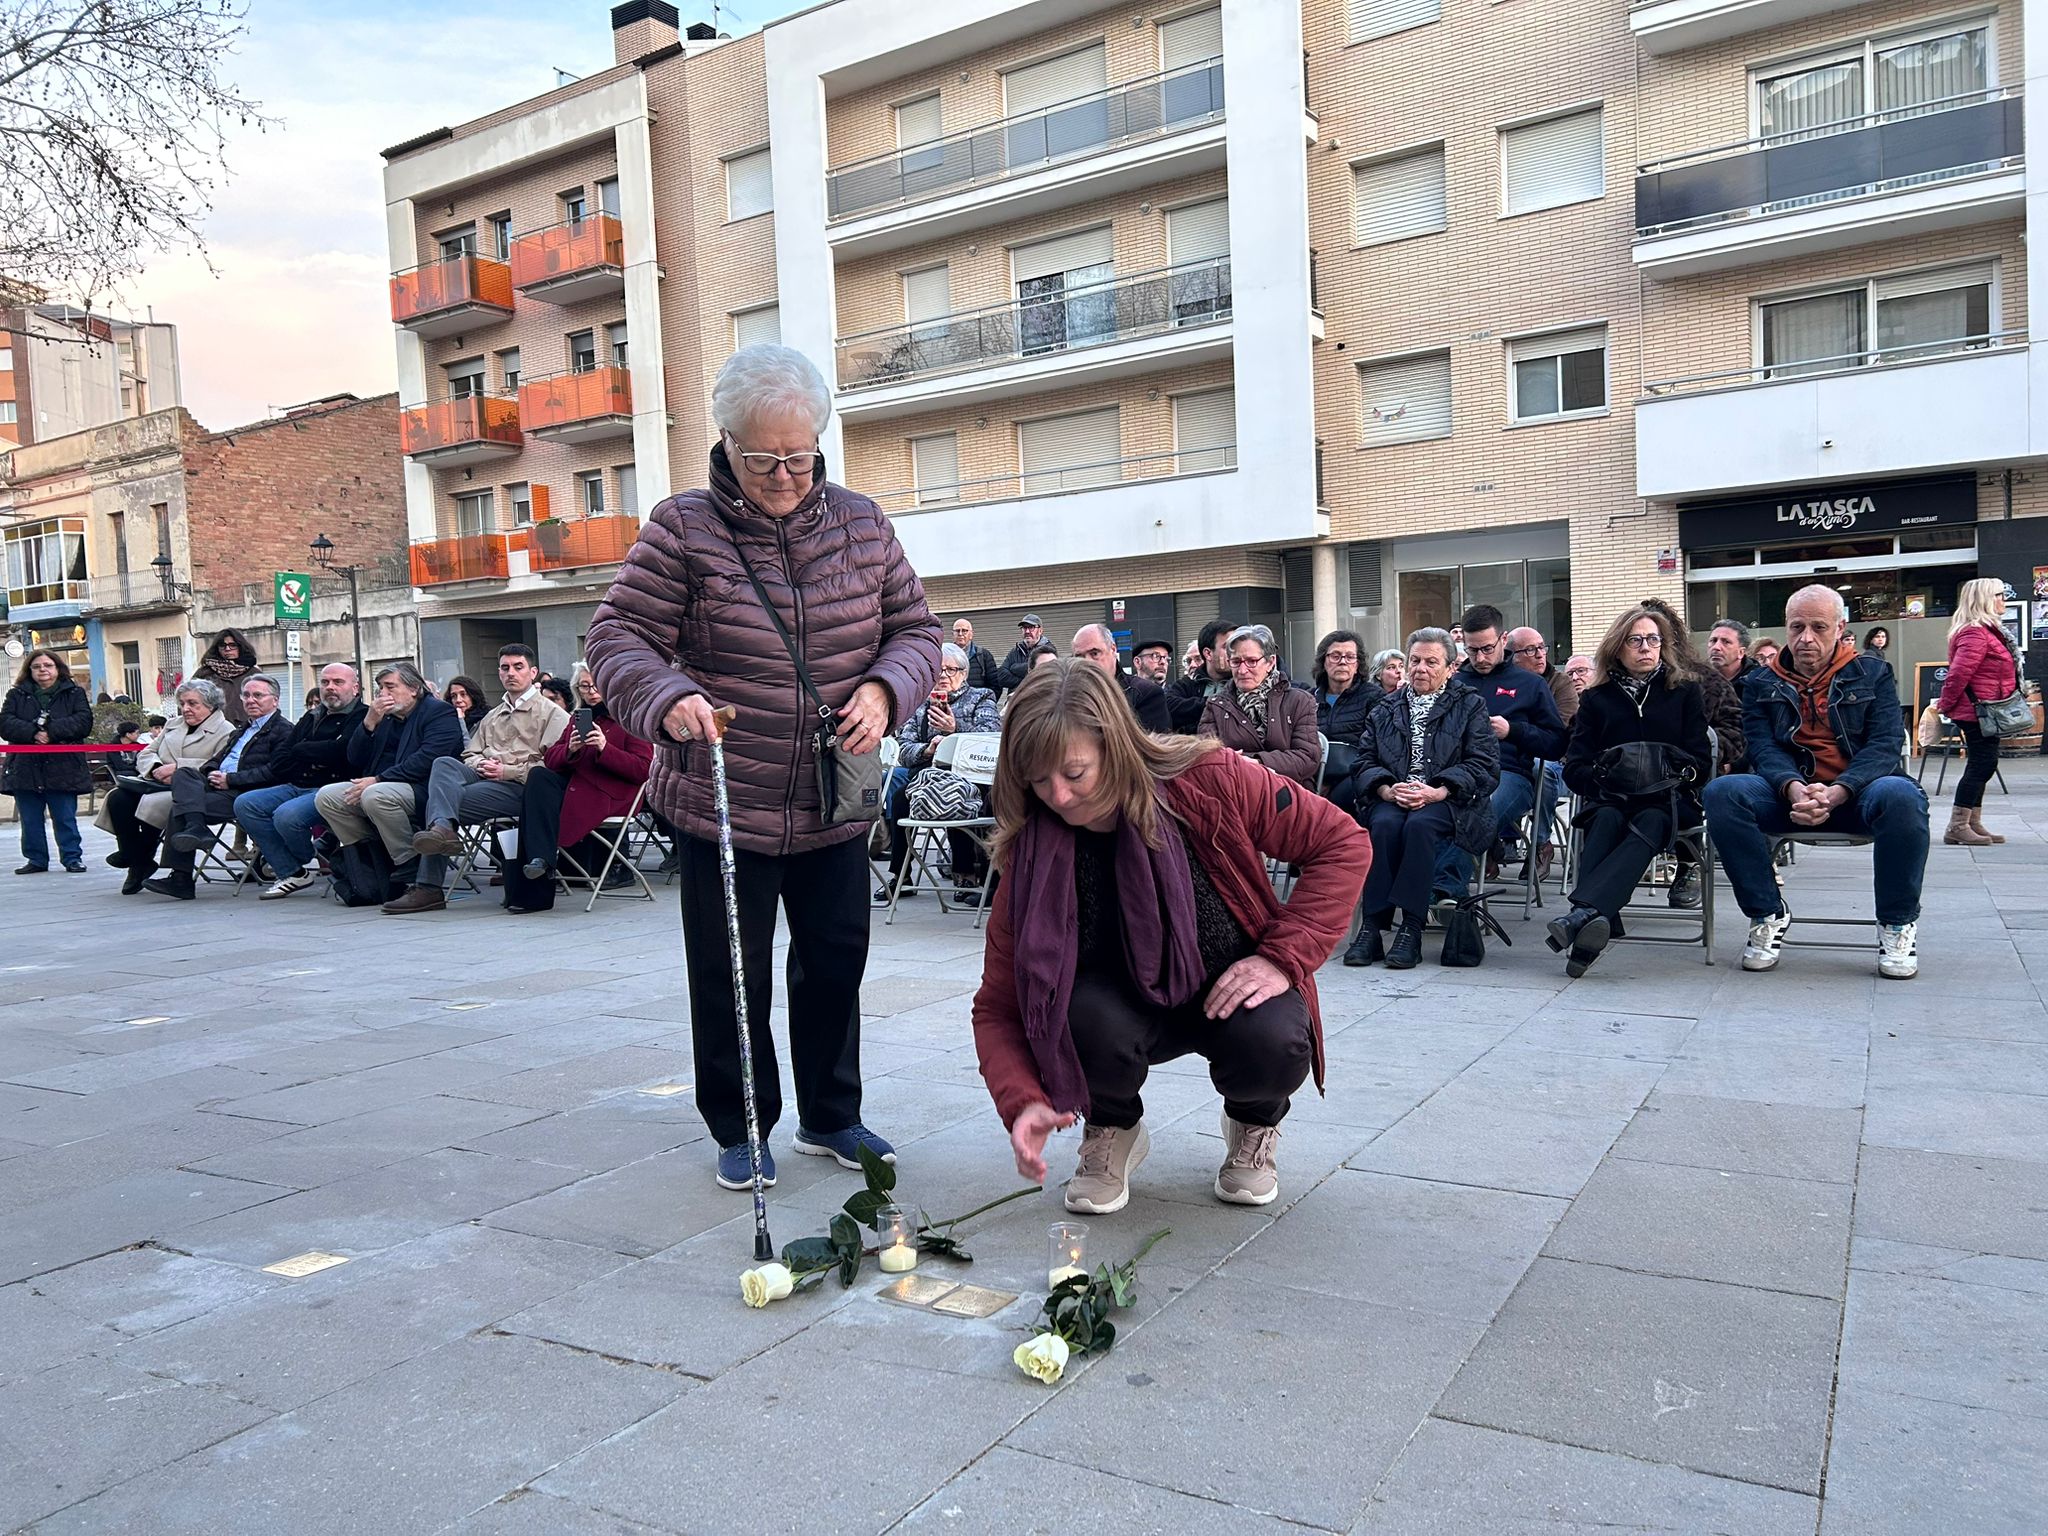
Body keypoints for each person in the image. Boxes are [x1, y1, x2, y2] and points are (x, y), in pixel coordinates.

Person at [587, 342, 941, 1190]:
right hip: (724, 796)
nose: (786, 475)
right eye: (764, 459)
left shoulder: (861, 522)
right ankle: (743, 1123)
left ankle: (831, 1113)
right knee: (728, 975)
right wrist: (666, 695)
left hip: (834, 794)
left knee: (835, 962)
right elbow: (615, 639)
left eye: (800, 456)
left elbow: (917, 631)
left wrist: (889, 693)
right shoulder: (683, 528)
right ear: (727, 443)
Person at [971, 662, 1368, 1213]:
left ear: (1117, 746)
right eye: (1038, 780)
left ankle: (1254, 1122)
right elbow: (997, 1003)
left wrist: (1281, 959)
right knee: (1077, 1015)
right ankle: (1113, 1127)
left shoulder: (1212, 777)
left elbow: (1342, 844)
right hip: (1117, 1004)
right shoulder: (1031, 849)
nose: (1057, 797)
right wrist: (1021, 1102)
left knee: (1275, 1039)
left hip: (1229, 988)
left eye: (1075, 773)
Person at [1703, 585, 1929, 980]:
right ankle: (1766, 913)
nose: (1806, 638)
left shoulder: (1873, 672)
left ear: (1841, 628)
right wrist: (1793, 787)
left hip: (1860, 795)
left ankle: (1896, 924)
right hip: (1788, 795)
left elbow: (1884, 746)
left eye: (1818, 627)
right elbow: (1762, 747)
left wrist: (1839, 791)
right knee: (1723, 792)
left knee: (1902, 795)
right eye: (1797, 627)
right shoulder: (1762, 682)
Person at [1548, 605, 1711, 977]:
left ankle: (1584, 914)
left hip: (1670, 801)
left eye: (1653, 639)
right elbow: (1575, 767)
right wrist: (1607, 778)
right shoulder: (1596, 698)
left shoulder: (1683, 691)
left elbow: (1700, 762)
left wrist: (1668, 773)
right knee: (1604, 818)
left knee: (1650, 819)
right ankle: (1595, 920)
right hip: (1613, 798)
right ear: (1617, 648)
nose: (1645, 647)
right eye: (1635, 640)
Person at [1341, 629, 1499, 968]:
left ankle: (1411, 928)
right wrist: (1385, 789)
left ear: (1449, 667)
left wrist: (1439, 789)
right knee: (1382, 824)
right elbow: (1364, 761)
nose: (1420, 669)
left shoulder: (1470, 705)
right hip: (1394, 795)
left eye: (1431, 662)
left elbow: (1484, 765)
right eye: (1414, 661)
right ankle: (1372, 928)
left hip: (1451, 800)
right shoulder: (1386, 707)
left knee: (1420, 826)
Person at [387, 644, 569, 914]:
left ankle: (428, 885)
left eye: (518, 667)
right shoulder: (494, 715)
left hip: (520, 789)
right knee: (444, 764)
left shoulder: (553, 714)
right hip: (484, 779)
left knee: (438, 803)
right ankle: (442, 830)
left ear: (533, 672)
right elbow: (469, 753)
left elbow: (552, 766)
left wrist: (506, 771)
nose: (511, 673)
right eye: (505, 668)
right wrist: (481, 763)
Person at [500, 666, 654, 911]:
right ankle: (541, 861)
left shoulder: (629, 718)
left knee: (537, 816)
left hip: (610, 795)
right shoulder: (580, 717)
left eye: (597, 686)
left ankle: (537, 878)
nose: (591, 692)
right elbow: (551, 758)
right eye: (584, 686)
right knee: (538, 778)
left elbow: (643, 769)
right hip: (578, 788)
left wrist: (605, 749)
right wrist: (570, 750)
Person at [1438, 604, 1565, 892]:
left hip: (1510, 773)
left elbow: (1557, 743)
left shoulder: (1530, 684)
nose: (1480, 658)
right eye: (1471, 650)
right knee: (1432, 812)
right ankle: (1444, 887)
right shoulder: (1454, 684)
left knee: (1475, 815)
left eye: (1486, 648)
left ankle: (1444, 891)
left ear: (1503, 640)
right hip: (1459, 774)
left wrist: (1513, 730)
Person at [144, 673, 294, 900]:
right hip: (219, 783)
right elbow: (218, 758)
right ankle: (197, 829)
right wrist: (211, 772)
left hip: (246, 792)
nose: (250, 700)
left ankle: (181, 878)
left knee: (180, 808)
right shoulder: (244, 729)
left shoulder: (284, 730)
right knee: (184, 774)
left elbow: (275, 772)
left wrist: (230, 779)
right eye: (246, 695)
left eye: (258, 695)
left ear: (275, 700)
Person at [314, 662, 465, 879]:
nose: (383, 694)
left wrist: (378, 779)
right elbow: (354, 758)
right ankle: (372, 855)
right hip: (380, 784)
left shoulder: (438, 711)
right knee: (327, 797)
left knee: (375, 796)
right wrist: (368, 723)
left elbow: (428, 759)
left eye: (390, 687)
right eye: (380, 689)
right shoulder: (384, 716)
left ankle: (408, 862)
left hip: (424, 788)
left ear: (413, 689)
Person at [877, 642, 1002, 903]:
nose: (943, 676)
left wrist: (954, 730)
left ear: (964, 673)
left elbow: (991, 738)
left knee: (958, 797)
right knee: (900, 799)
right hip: (926, 777)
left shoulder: (982, 697)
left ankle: (966, 873)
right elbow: (904, 749)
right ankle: (901, 876)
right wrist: (928, 750)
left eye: (950, 670)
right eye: (938, 670)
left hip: (970, 776)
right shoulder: (920, 703)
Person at [236, 663, 369, 900]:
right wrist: (313, 753)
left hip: (332, 788)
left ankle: (302, 858)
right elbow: (282, 757)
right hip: (296, 784)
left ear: (355, 687)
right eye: (325, 682)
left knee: (287, 816)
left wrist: (303, 751)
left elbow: (344, 754)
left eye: (338, 682)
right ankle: (293, 871)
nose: (330, 688)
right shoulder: (312, 716)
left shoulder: (362, 716)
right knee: (246, 804)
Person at [100, 681, 236, 891]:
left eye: (193, 703)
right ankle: (134, 855)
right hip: (155, 782)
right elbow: (146, 752)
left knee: (153, 804)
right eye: (182, 703)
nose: (186, 708)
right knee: (118, 798)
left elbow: (220, 764)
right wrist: (155, 767)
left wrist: (177, 768)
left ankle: (138, 863)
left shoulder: (226, 731)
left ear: (210, 705)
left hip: (193, 790)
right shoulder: (174, 724)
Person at [1937, 577, 2019, 846]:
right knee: (1981, 764)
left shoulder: (1987, 630)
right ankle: (1957, 825)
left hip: (1987, 709)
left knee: (1985, 763)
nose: (2003, 599)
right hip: (1977, 711)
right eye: (1999, 594)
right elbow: (1958, 674)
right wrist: (1946, 705)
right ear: (1984, 598)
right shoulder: (1975, 633)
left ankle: (1971, 821)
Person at [2, 649, 94, 874]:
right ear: (29, 671)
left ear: (57, 668)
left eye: (47, 665)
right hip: (25, 767)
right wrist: (33, 732)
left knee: (64, 817)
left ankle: (72, 858)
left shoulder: (74, 693)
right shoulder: (16, 695)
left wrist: (51, 732)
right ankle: (36, 859)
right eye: (37, 666)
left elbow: (83, 721)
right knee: (30, 819)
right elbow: (5, 723)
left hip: (63, 767)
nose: (43, 670)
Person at [1200, 625, 1320, 786]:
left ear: (1270, 662)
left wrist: (1254, 762)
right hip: (1234, 791)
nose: (1242, 670)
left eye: (1251, 661)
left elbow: (1307, 758)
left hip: (1289, 791)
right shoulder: (1216, 705)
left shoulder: (1300, 701)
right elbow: (1206, 757)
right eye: (1236, 662)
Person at [1505, 626, 1579, 880]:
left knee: (1541, 767)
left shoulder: (1561, 683)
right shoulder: (1504, 683)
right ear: (1512, 655)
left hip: (1556, 761)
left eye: (1541, 647)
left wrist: (1515, 731)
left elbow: (1559, 728)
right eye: (1530, 650)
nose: (1540, 655)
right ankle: (1493, 844)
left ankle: (1540, 843)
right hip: (1512, 761)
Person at [1312, 630, 1374, 815]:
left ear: (1358, 665)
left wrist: (1335, 782)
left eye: (1349, 657)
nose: (1342, 662)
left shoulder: (1374, 698)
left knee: (1337, 802)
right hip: (1315, 773)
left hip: (1356, 773)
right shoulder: (1308, 699)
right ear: (1324, 661)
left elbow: (1374, 746)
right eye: (1335, 656)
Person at [1072, 624, 1171, 732]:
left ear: (1113, 650)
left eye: (1095, 653)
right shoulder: (1069, 696)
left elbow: (1153, 745)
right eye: (1080, 657)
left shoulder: (1145, 694)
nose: (1087, 662)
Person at [1165, 619, 1234, 733]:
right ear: (1208, 654)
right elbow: (1170, 708)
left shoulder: (1244, 681)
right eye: (1227, 647)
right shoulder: (1186, 684)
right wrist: (1218, 704)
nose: (1234, 652)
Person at [193, 628, 259, 725]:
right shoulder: (204, 674)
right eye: (223, 645)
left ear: (240, 647)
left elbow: (267, 701)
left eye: (232, 645)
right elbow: (189, 698)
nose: (227, 649)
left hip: (247, 728)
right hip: (213, 729)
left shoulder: (254, 674)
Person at [997, 614, 1048, 692]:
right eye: (1024, 628)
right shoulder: (1015, 651)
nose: (1027, 631)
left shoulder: (1048, 651)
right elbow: (1001, 677)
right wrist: (1027, 681)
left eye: (1031, 627)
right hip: (1016, 700)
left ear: (1040, 631)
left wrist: (1013, 668)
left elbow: (1043, 676)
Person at [950, 618, 1002, 694]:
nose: (960, 634)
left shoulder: (984, 656)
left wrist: (986, 703)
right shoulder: (944, 657)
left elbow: (995, 685)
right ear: (952, 634)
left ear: (971, 634)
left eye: (964, 631)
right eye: (957, 631)